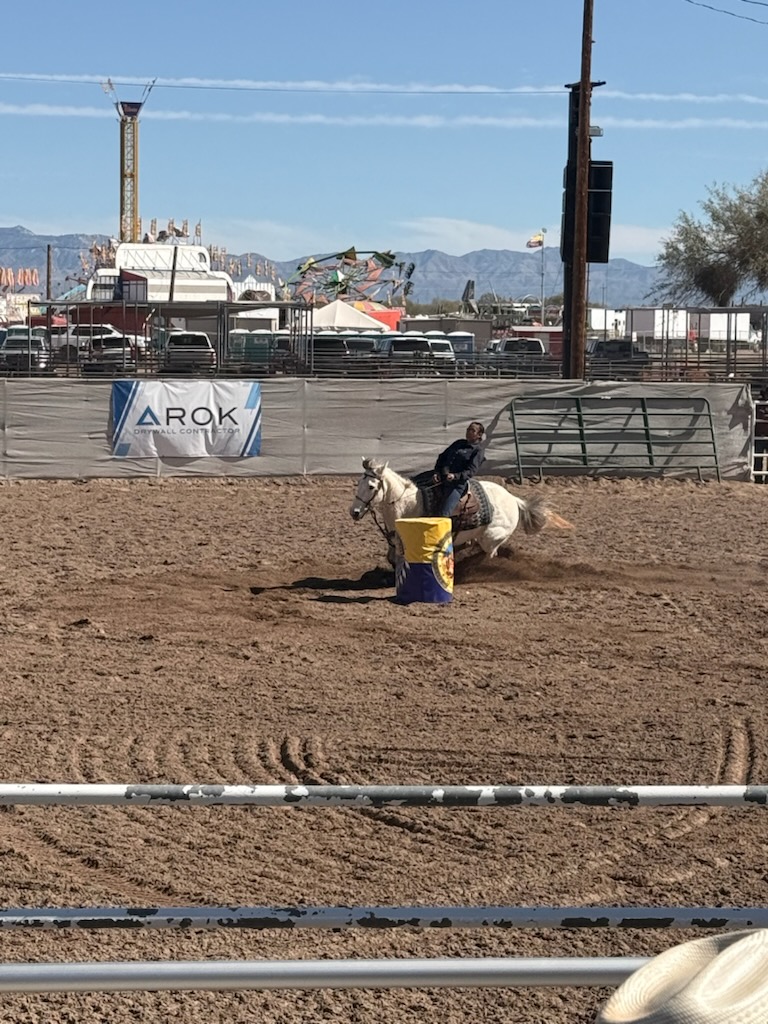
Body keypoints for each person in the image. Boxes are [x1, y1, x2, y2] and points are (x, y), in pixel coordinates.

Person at [432, 421, 485, 517]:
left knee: (444, 514)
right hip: (441, 478)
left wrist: (455, 476)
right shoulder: (458, 443)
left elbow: (471, 471)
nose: (468, 432)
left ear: (479, 435)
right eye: (468, 429)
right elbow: (442, 457)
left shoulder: (478, 451)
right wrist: (436, 472)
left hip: (456, 485)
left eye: (472, 430)